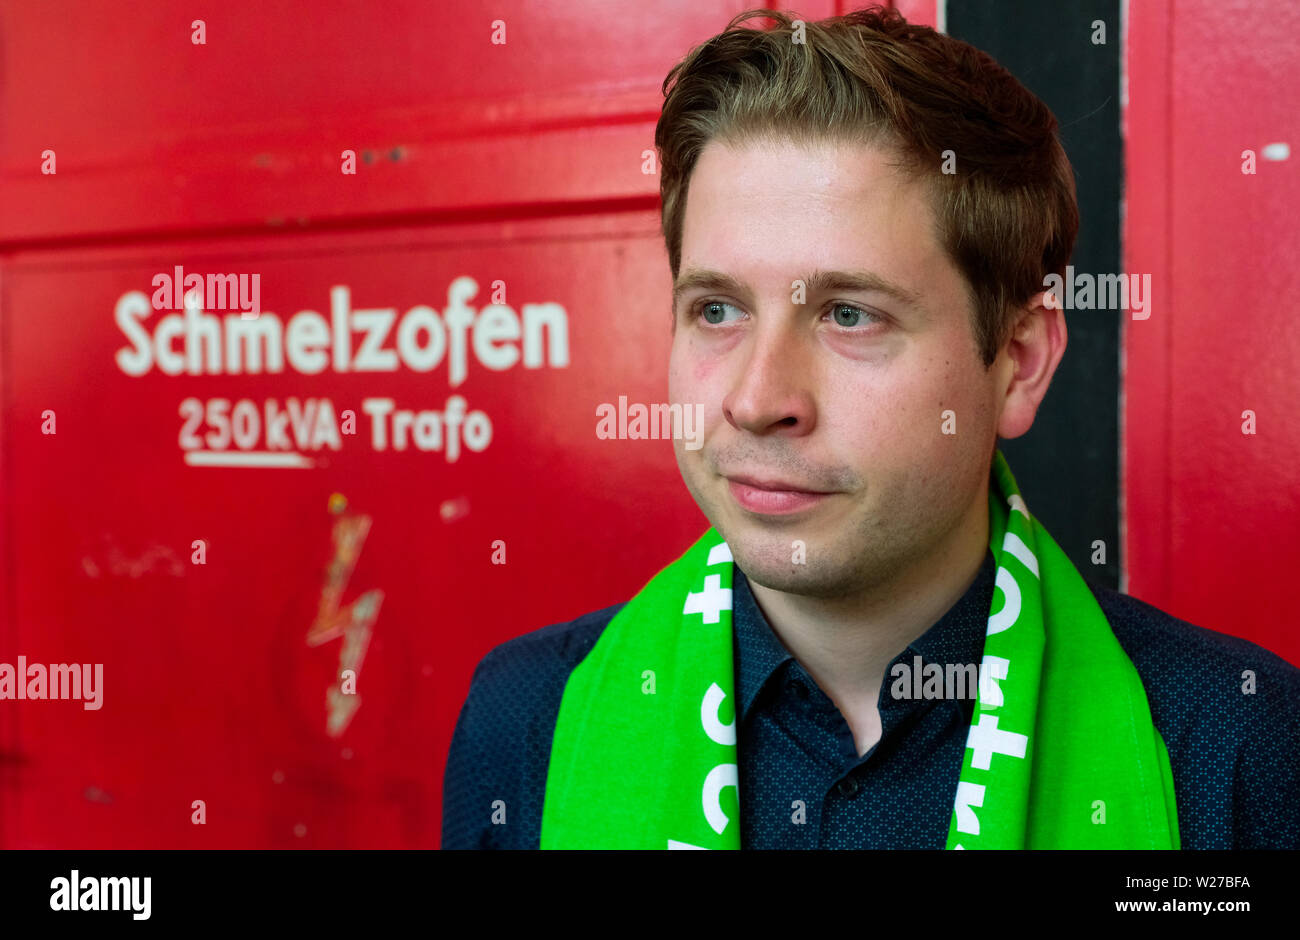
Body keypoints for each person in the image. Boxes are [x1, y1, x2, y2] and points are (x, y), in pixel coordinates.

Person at [441, 6, 1299, 849]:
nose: (757, 397)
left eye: (849, 314)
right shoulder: (531, 719)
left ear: (1019, 360)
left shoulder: (1237, 747)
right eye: (717, 309)